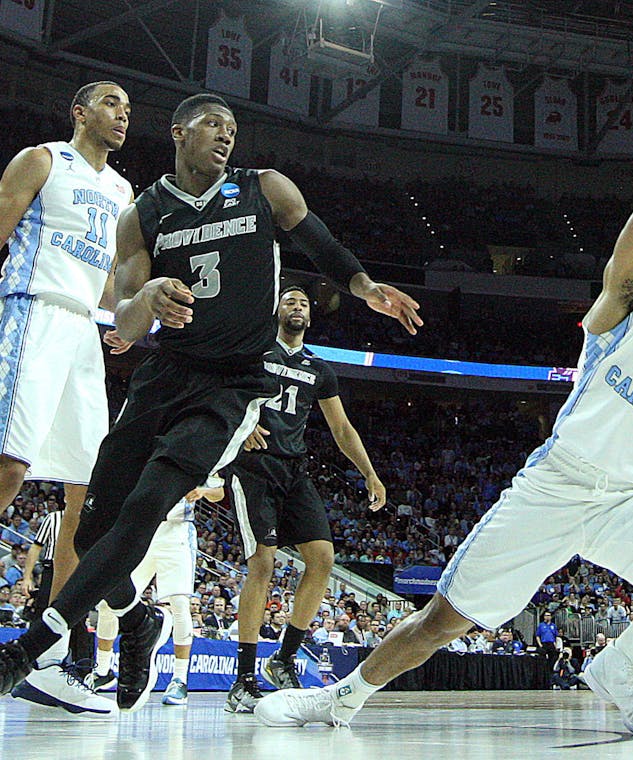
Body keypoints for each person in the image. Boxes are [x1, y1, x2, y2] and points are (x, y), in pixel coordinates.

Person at [256, 112, 633, 734]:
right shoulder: (632, 290)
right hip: (558, 484)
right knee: (442, 621)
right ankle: (339, 699)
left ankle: (624, 666)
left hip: (632, 495)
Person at [0, 93, 422, 712]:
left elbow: (321, 244)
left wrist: (363, 286)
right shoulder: (142, 213)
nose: (226, 136)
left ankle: (27, 649)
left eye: (232, 128)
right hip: (164, 377)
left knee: (146, 506)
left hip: (231, 387)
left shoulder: (263, 189)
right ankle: (139, 622)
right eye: (213, 126)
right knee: (93, 531)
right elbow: (124, 312)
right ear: (178, 132)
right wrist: (153, 294)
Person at [0, 81, 135, 716]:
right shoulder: (43, 160)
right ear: (79, 111)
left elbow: (111, 287)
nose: (122, 116)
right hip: (34, 312)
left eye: (129, 110)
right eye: (111, 103)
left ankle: (49, 653)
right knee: (9, 468)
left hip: (85, 329)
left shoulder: (121, 192)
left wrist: (143, 311)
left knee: (89, 496)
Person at [222, 285, 387, 713]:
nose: (297, 307)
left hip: (294, 470)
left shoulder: (319, 368)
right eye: (289, 301)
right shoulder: (254, 349)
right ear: (276, 309)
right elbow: (218, 389)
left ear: (310, 318)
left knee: (323, 558)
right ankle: (242, 680)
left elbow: (341, 428)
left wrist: (369, 473)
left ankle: (285, 656)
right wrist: (242, 425)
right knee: (263, 562)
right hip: (252, 468)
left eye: (303, 304)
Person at [90, 482, 221, 706]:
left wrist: (203, 491)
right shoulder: (145, 451)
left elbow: (219, 492)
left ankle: (179, 679)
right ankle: (103, 670)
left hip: (177, 532)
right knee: (109, 600)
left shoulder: (198, 452)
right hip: (142, 529)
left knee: (179, 605)